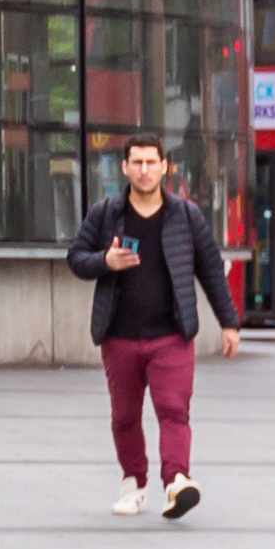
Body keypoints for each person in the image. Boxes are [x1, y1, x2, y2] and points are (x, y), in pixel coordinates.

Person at [76, 132, 240, 522]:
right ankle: (134, 483)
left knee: (172, 409)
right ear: (125, 167)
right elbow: (76, 258)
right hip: (119, 336)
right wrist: (105, 261)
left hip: (172, 334)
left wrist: (229, 322)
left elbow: (211, 272)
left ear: (165, 166)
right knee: (125, 417)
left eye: (152, 162)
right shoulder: (105, 213)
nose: (145, 170)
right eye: (137, 162)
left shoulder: (185, 215)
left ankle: (177, 481)